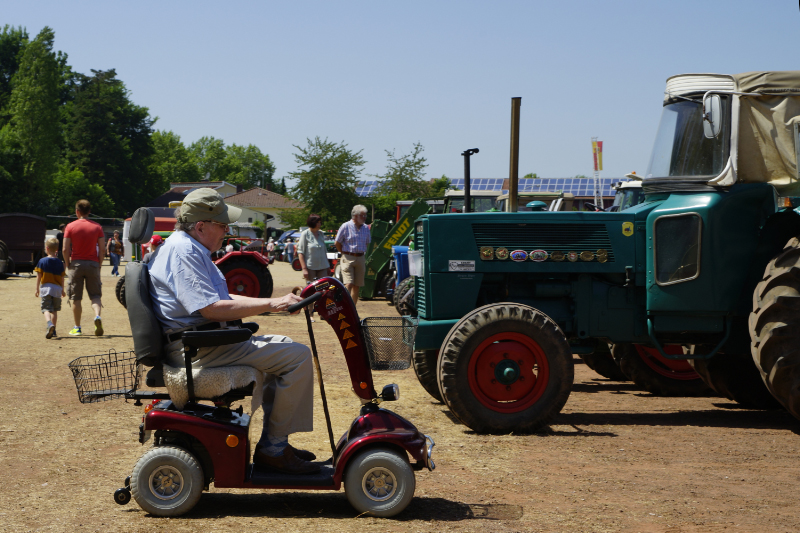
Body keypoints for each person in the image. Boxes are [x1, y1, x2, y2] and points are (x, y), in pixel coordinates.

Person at [147, 188, 318, 474]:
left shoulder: (186, 247)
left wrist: (272, 304)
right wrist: (273, 303)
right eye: (223, 225)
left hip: (203, 343)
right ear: (200, 226)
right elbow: (211, 308)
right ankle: (273, 449)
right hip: (199, 348)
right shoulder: (185, 252)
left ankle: (274, 444)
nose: (227, 231)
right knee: (297, 356)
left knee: (286, 346)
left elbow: (221, 300)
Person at [63, 199, 105, 336]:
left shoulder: (70, 226)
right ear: (89, 212)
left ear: (77, 212)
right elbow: (103, 249)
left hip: (76, 263)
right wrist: (99, 264)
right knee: (95, 295)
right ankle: (97, 316)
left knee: (76, 297)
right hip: (92, 263)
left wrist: (68, 263)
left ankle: (77, 327)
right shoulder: (97, 227)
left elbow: (65, 248)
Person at [297, 214, 330, 322]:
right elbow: (300, 252)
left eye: (320, 222)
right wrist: (304, 268)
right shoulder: (305, 234)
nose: (320, 224)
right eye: (318, 222)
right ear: (313, 222)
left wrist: (328, 266)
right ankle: (310, 314)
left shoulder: (321, 234)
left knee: (324, 291)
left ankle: (323, 313)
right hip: (310, 267)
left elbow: (324, 250)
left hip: (323, 266)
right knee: (310, 292)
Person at [335, 204, 371, 305]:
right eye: (362, 215)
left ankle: (353, 310)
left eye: (365, 215)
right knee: (349, 284)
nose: (364, 218)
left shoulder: (366, 228)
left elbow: (368, 243)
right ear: (355, 216)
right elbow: (337, 242)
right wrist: (344, 253)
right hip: (348, 257)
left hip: (360, 257)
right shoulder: (345, 226)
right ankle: (345, 307)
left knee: (357, 286)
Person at [35, 238, 66, 339]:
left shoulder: (42, 261)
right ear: (57, 249)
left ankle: (49, 324)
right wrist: (62, 289)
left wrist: (37, 289)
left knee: (46, 309)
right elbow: (62, 278)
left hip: (46, 288)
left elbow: (39, 276)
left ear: (47, 248)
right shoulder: (60, 263)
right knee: (55, 310)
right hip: (57, 289)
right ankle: (54, 329)